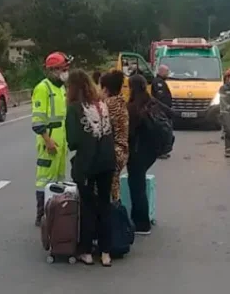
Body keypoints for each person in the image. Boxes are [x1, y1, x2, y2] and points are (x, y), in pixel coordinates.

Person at [65, 69, 116, 267]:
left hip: (87, 164)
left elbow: (73, 140)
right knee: (105, 204)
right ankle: (105, 252)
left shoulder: (75, 109)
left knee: (87, 206)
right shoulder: (102, 105)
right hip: (107, 161)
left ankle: (86, 250)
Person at [32, 52, 70, 226]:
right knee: (45, 178)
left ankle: (55, 211)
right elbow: (38, 121)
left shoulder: (61, 87)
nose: (66, 72)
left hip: (61, 138)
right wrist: (47, 140)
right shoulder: (43, 88)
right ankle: (41, 214)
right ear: (54, 70)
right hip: (49, 138)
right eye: (64, 68)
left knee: (59, 177)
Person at [127, 74, 159, 235]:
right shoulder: (151, 102)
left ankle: (141, 223)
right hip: (151, 150)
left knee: (136, 186)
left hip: (137, 151)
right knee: (139, 185)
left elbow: (130, 133)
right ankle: (141, 219)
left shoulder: (133, 107)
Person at [99, 70, 129, 202]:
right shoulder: (121, 101)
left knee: (109, 188)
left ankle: (114, 215)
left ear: (105, 88)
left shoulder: (108, 105)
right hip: (122, 150)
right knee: (114, 185)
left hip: (113, 151)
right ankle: (116, 211)